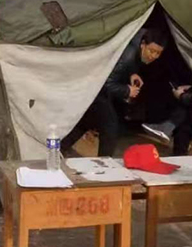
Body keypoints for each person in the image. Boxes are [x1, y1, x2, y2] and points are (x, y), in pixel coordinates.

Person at [62, 28, 167, 157]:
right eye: (151, 51)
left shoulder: (135, 46)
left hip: (94, 88)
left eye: (158, 53)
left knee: (87, 121)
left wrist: (132, 73)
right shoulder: (128, 56)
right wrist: (127, 90)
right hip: (97, 90)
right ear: (143, 44)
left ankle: (59, 148)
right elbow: (106, 83)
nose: (153, 56)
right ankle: (105, 161)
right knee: (109, 127)